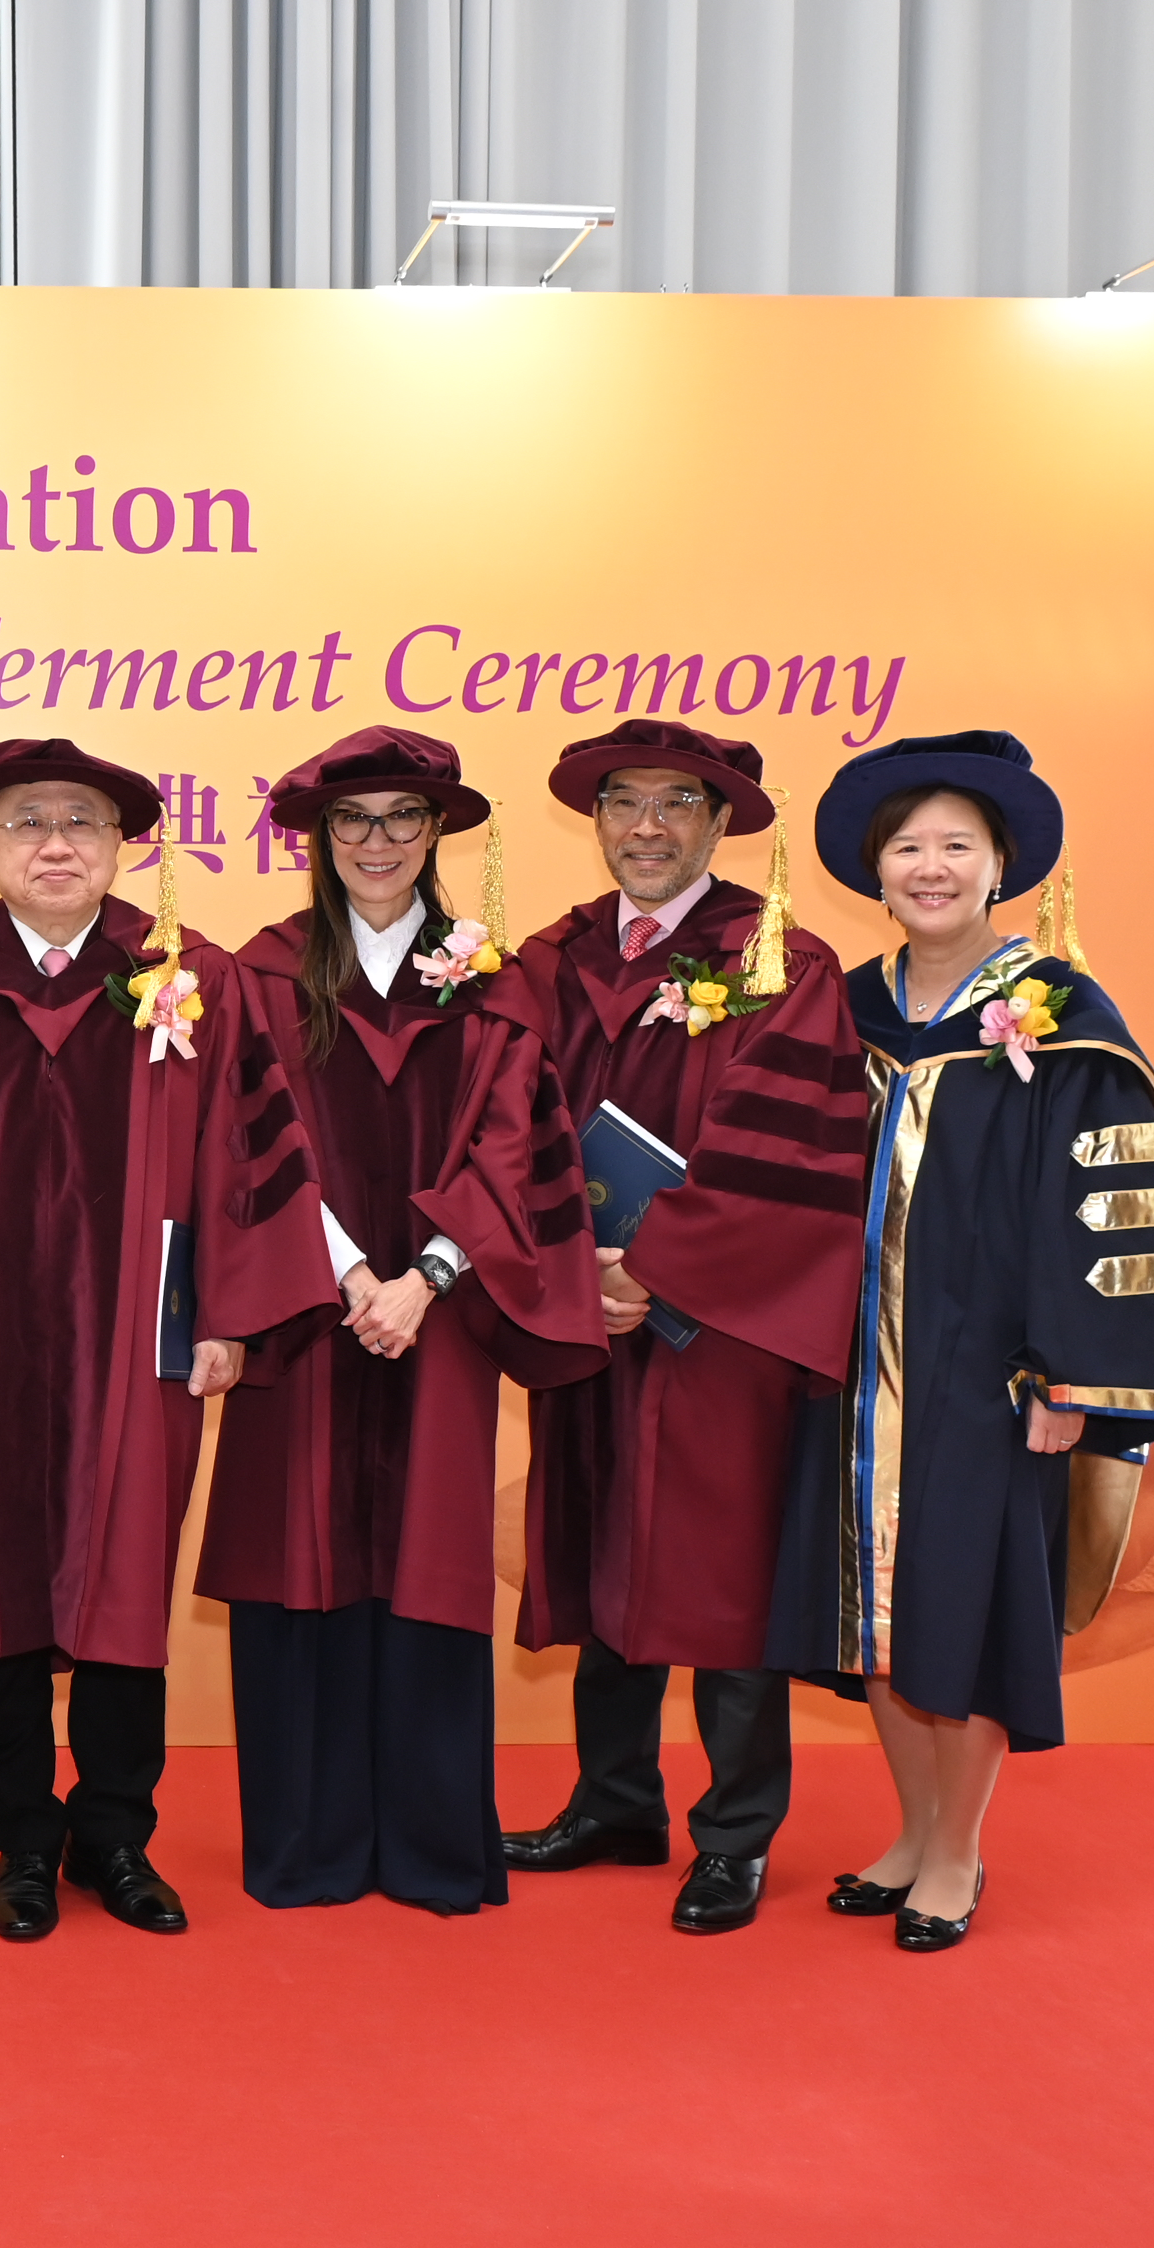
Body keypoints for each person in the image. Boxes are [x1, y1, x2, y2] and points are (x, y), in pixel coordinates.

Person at [0, 737, 337, 1941]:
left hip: (145, 1338)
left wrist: (232, 1316)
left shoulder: (195, 978)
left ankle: (117, 1834)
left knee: (125, 1581)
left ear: (125, 843)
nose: (58, 843)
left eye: (82, 820)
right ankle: (23, 1840)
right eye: (28, 822)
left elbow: (253, 1156)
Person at [768, 730, 1154, 1952]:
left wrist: (1074, 1374)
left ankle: (957, 1851)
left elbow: (1103, 1205)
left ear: (1000, 862)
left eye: (956, 845)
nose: (930, 866)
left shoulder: (1061, 1018)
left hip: (991, 1378)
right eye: (907, 845)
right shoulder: (845, 1010)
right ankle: (911, 1831)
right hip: (851, 1374)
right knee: (873, 1618)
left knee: (962, 1610)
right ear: (875, 867)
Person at [201, 725, 602, 1915]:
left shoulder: (495, 980)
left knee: (425, 1560)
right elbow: (245, 1143)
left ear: (437, 835)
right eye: (353, 821)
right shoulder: (259, 978)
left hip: (445, 1310)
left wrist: (425, 1275)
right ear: (319, 840)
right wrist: (344, 1275)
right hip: (301, 1311)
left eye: (401, 819)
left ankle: (429, 1843)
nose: (377, 841)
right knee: (301, 1553)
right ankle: (309, 1844)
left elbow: (512, 1144)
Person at [499, 720, 867, 1933]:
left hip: (722, 1320)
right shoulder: (552, 959)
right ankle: (615, 1799)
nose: (645, 826)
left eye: (674, 804)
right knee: (606, 1534)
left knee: (722, 1565)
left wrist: (654, 1268)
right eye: (622, 802)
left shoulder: (783, 964)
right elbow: (504, 1126)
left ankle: (737, 1832)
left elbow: (790, 1152)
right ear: (593, 819)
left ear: (720, 825)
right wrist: (568, 1264)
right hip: (587, 1310)